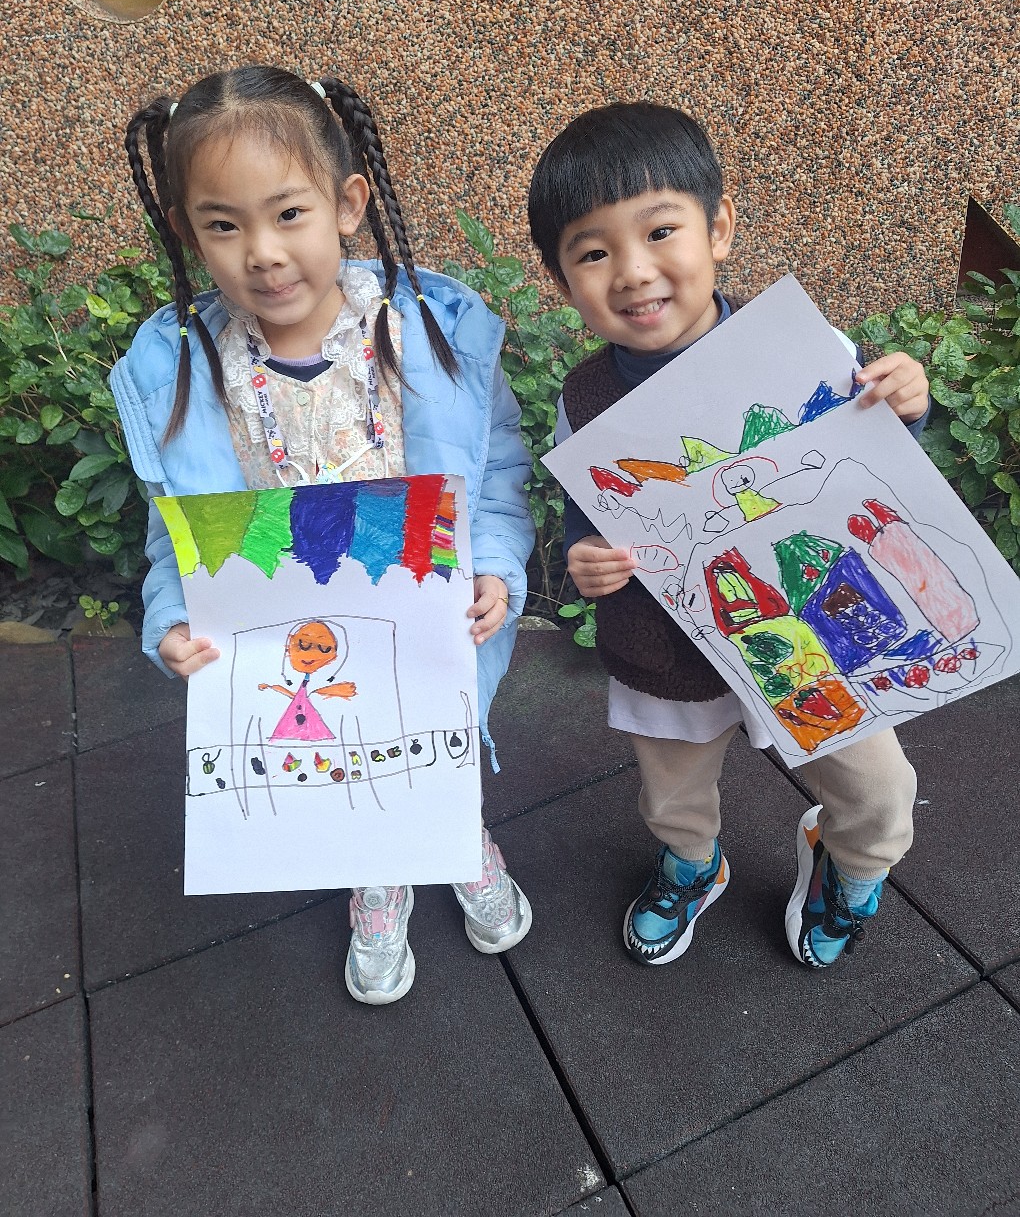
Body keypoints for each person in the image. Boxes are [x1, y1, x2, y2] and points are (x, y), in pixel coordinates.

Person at [110, 66, 535, 1004]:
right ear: (185, 231)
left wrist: (497, 567)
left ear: (347, 205)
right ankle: (374, 880)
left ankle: (455, 837)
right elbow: (175, 531)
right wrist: (173, 618)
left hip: (424, 618)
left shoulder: (431, 335)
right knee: (334, 752)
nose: (262, 253)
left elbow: (497, 471)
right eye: (224, 225)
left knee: (431, 743)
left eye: (289, 213)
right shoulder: (185, 371)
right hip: (285, 627)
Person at [528, 102, 931, 971]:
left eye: (659, 231)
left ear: (718, 229)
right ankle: (692, 863)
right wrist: (583, 560)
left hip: (813, 626)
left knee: (879, 789)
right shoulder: (584, 401)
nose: (633, 272)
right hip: (665, 637)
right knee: (672, 792)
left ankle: (851, 865)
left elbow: (871, 468)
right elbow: (584, 517)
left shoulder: (804, 348)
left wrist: (907, 407)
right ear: (563, 282)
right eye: (593, 253)